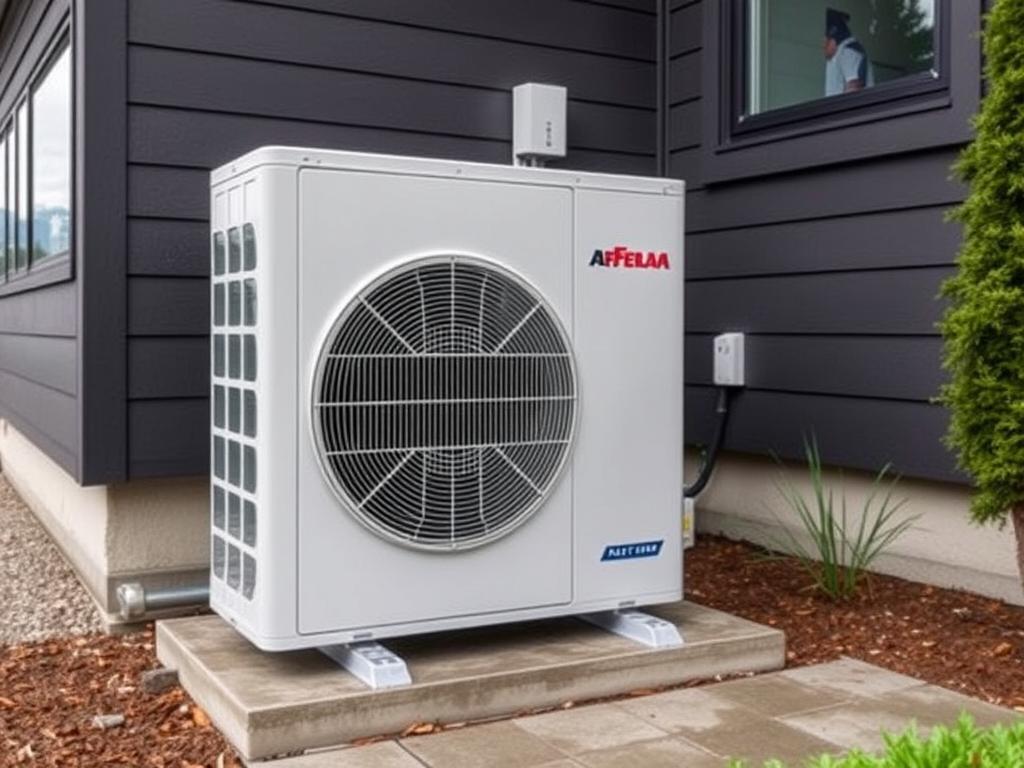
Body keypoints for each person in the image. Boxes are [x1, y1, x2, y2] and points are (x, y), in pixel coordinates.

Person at [823, 9, 874, 97]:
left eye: (825, 44)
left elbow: (854, 88)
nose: (823, 48)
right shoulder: (838, 55)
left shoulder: (848, 52)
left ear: (832, 42)